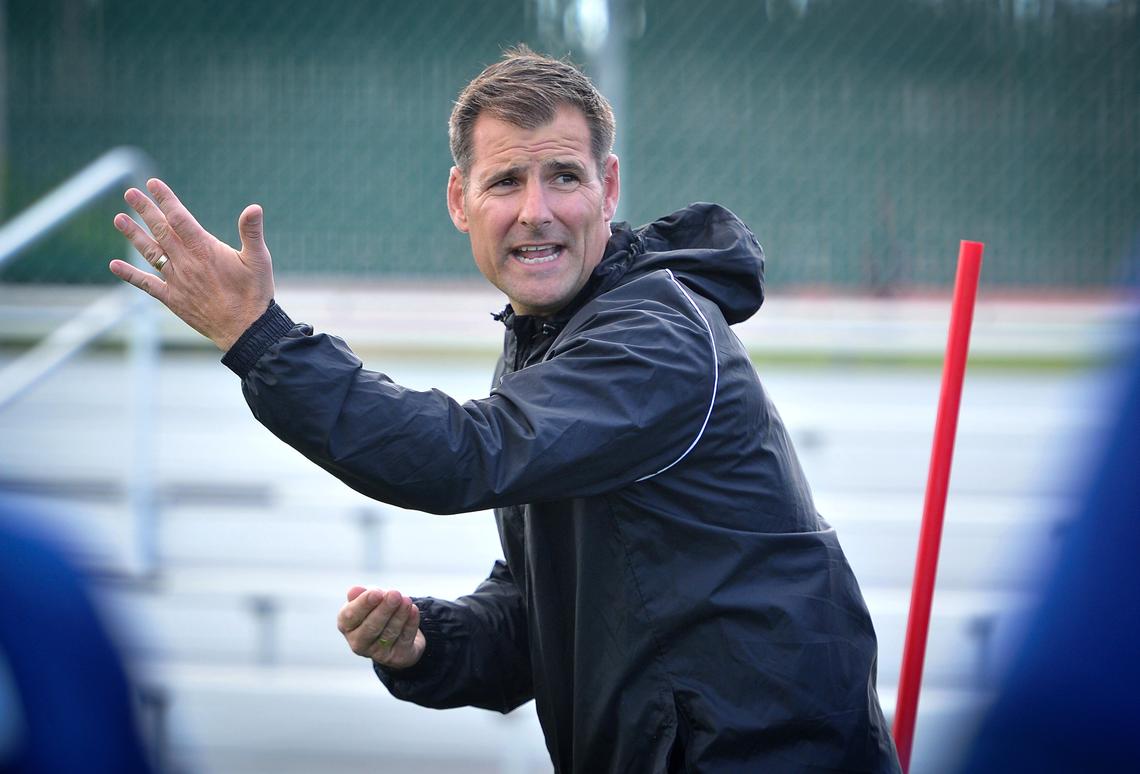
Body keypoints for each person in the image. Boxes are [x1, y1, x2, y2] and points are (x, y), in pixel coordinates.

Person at [109, 47, 899, 772]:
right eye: (504, 183)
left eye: (563, 176)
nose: (536, 211)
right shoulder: (548, 337)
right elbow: (544, 613)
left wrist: (260, 338)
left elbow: (463, 454)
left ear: (609, 188)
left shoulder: (655, 336)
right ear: (460, 199)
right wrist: (427, 642)